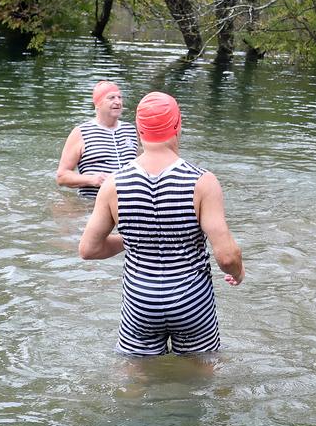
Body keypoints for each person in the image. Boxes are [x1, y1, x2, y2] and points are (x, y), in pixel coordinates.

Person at [78, 92, 243, 356]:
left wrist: (140, 238)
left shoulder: (113, 184)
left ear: (138, 128)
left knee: (135, 379)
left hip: (140, 302)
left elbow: (89, 249)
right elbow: (225, 255)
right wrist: (238, 273)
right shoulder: (202, 181)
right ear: (178, 125)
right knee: (202, 376)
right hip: (191, 300)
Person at [56, 80, 138, 199]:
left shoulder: (130, 130)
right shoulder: (80, 133)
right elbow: (62, 176)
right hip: (93, 204)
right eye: (111, 98)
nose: (118, 102)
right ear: (97, 104)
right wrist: (93, 179)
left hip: (128, 202)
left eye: (120, 97)